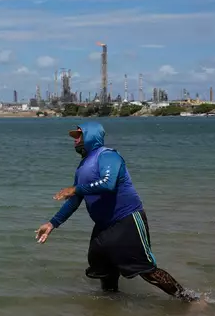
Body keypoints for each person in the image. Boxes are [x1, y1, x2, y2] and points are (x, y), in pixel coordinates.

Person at [35, 121, 199, 302]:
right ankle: (112, 307)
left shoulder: (108, 156)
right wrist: (52, 223)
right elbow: (74, 200)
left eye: (79, 135)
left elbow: (108, 183)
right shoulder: (82, 167)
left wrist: (75, 189)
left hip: (127, 219)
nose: (75, 140)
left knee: (146, 270)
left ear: (91, 136)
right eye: (75, 137)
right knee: (104, 272)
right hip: (103, 226)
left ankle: (191, 300)